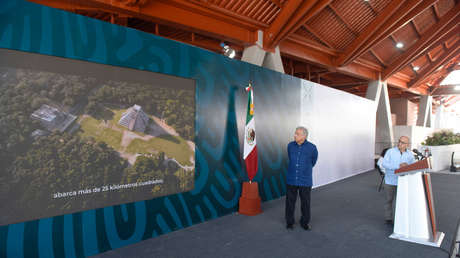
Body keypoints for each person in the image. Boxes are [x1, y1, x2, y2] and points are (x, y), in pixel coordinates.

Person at [285, 126, 318, 230]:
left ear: (304, 136)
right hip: (291, 179)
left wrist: (304, 170)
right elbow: (290, 158)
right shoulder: (290, 146)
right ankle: (289, 222)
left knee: (305, 203)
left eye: (297, 134)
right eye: (295, 133)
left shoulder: (312, 148)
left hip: (305, 180)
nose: (294, 135)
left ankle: (305, 222)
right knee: (290, 202)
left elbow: (313, 161)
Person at [381, 136, 415, 226]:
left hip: (404, 181)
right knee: (389, 200)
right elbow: (384, 164)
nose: (400, 143)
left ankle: (400, 219)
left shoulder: (410, 154)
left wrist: (407, 166)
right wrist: (398, 166)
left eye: (403, 142)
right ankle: (388, 218)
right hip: (390, 180)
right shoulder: (390, 152)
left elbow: (413, 166)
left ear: (407, 145)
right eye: (399, 141)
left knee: (401, 201)